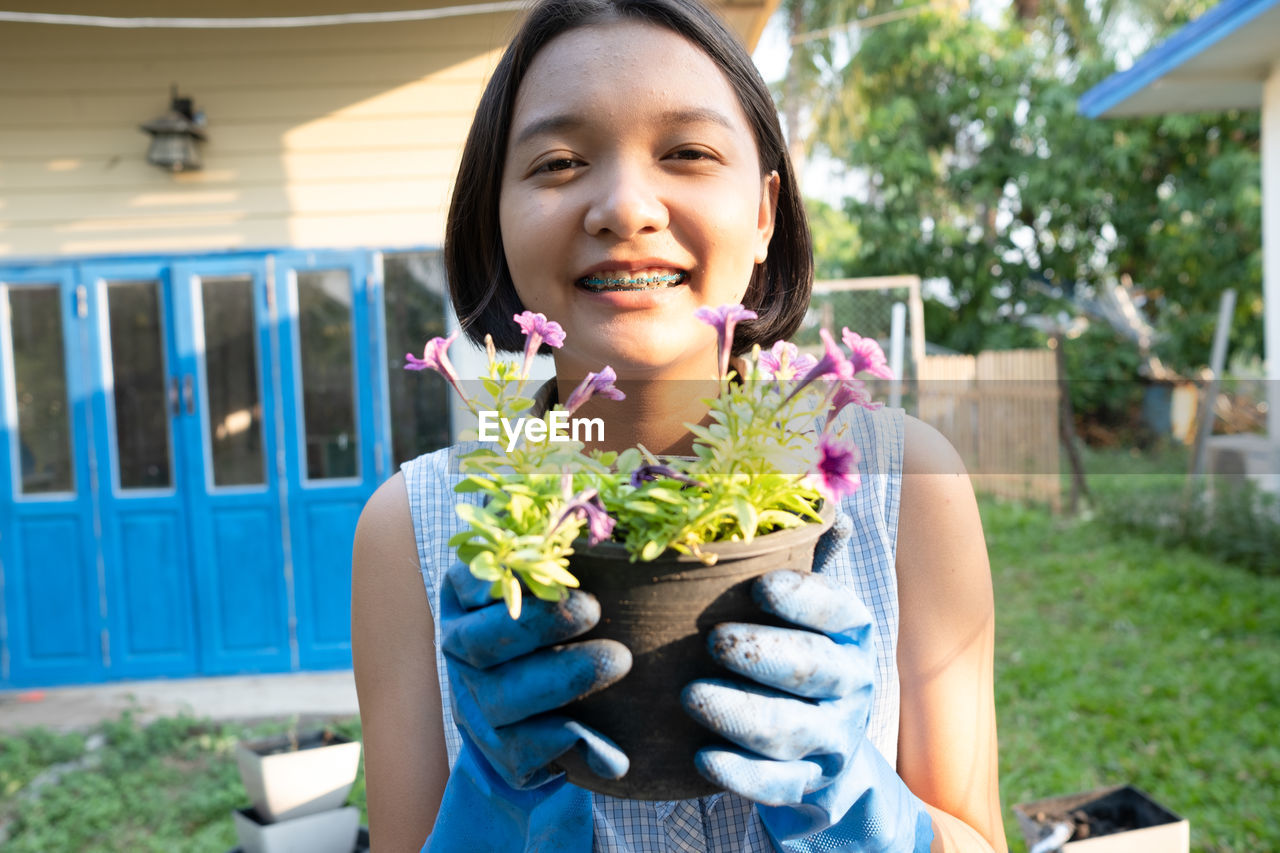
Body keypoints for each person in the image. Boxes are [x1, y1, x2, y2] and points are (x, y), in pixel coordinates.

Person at [352, 0, 1006, 849]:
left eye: (688, 153)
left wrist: (861, 809)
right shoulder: (414, 528)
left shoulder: (906, 483)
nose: (625, 208)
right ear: (496, 218)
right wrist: (496, 804)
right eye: (557, 162)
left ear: (766, 211)